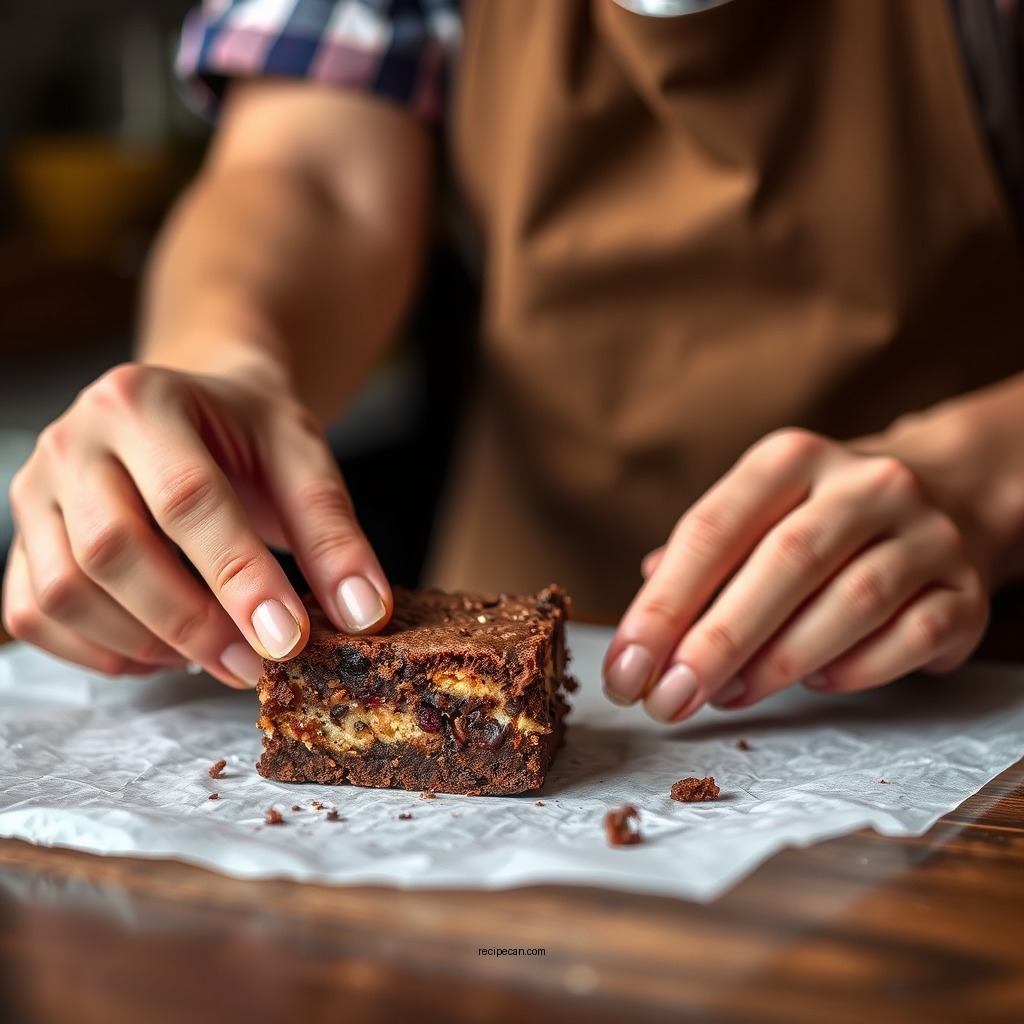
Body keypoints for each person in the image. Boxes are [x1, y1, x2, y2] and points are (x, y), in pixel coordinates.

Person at [3, 0, 1024, 728]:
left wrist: (982, 476)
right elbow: (307, 171)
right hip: (522, 567)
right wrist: (223, 370)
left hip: (961, 687)